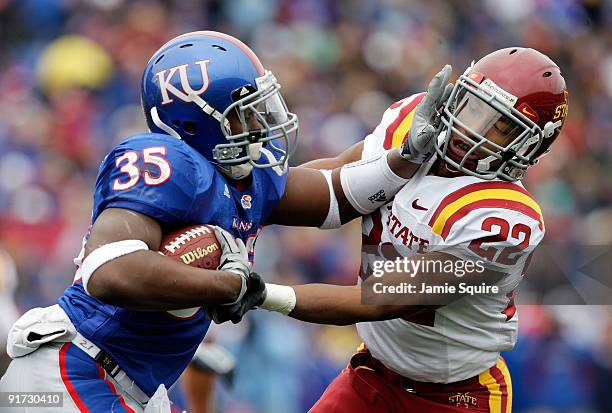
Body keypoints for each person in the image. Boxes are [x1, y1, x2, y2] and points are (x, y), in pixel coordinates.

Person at [0, 30, 438, 412]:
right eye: (246, 111)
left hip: (129, 384)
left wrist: (408, 153)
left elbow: (339, 194)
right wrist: (230, 285)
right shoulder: (169, 162)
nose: (263, 121)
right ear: (194, 119)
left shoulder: (244, 176)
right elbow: (109, 272)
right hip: (75, 370)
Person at [221, 47, 569, 412]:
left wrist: (263, 294)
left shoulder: (505, 218)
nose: (472, 128)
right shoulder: (414, 122)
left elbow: (382, 298)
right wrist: (233, 199)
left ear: (531, 145)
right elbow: (332, 182)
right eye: (472, 106)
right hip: (373, 370)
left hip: (453, 396)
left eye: (500, 125)